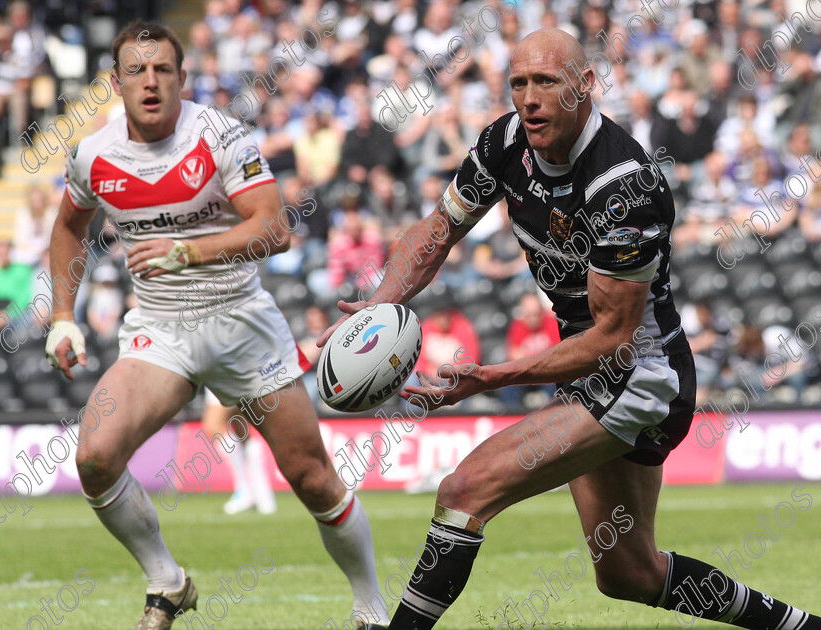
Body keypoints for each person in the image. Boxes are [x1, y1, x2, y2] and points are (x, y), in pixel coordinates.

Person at [320, 28, 821, 630]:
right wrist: (379, 306)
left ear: (585, 85)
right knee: (628, 574)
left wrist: (493, 377)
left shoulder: (624, 185)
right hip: (590, 371)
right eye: (518, 84)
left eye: (545, 82)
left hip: (640, 377)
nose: (528, 99)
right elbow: (437, 231)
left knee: (463, 491)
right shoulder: (504, 142)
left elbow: (612, 336)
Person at [44, 21, 389, 630]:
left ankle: (371, 608)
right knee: (95, 457)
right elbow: (69, 227)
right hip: (160, 329)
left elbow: (275, 229)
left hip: (240, 323)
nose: (150, 82)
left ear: (182, 78)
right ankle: (167, 582)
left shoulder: (221, 135)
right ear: (117, 82)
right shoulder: (94, 154)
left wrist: (189, 251)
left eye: (163, 70)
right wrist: (63, 316)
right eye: (136, 70)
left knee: (311, 477)